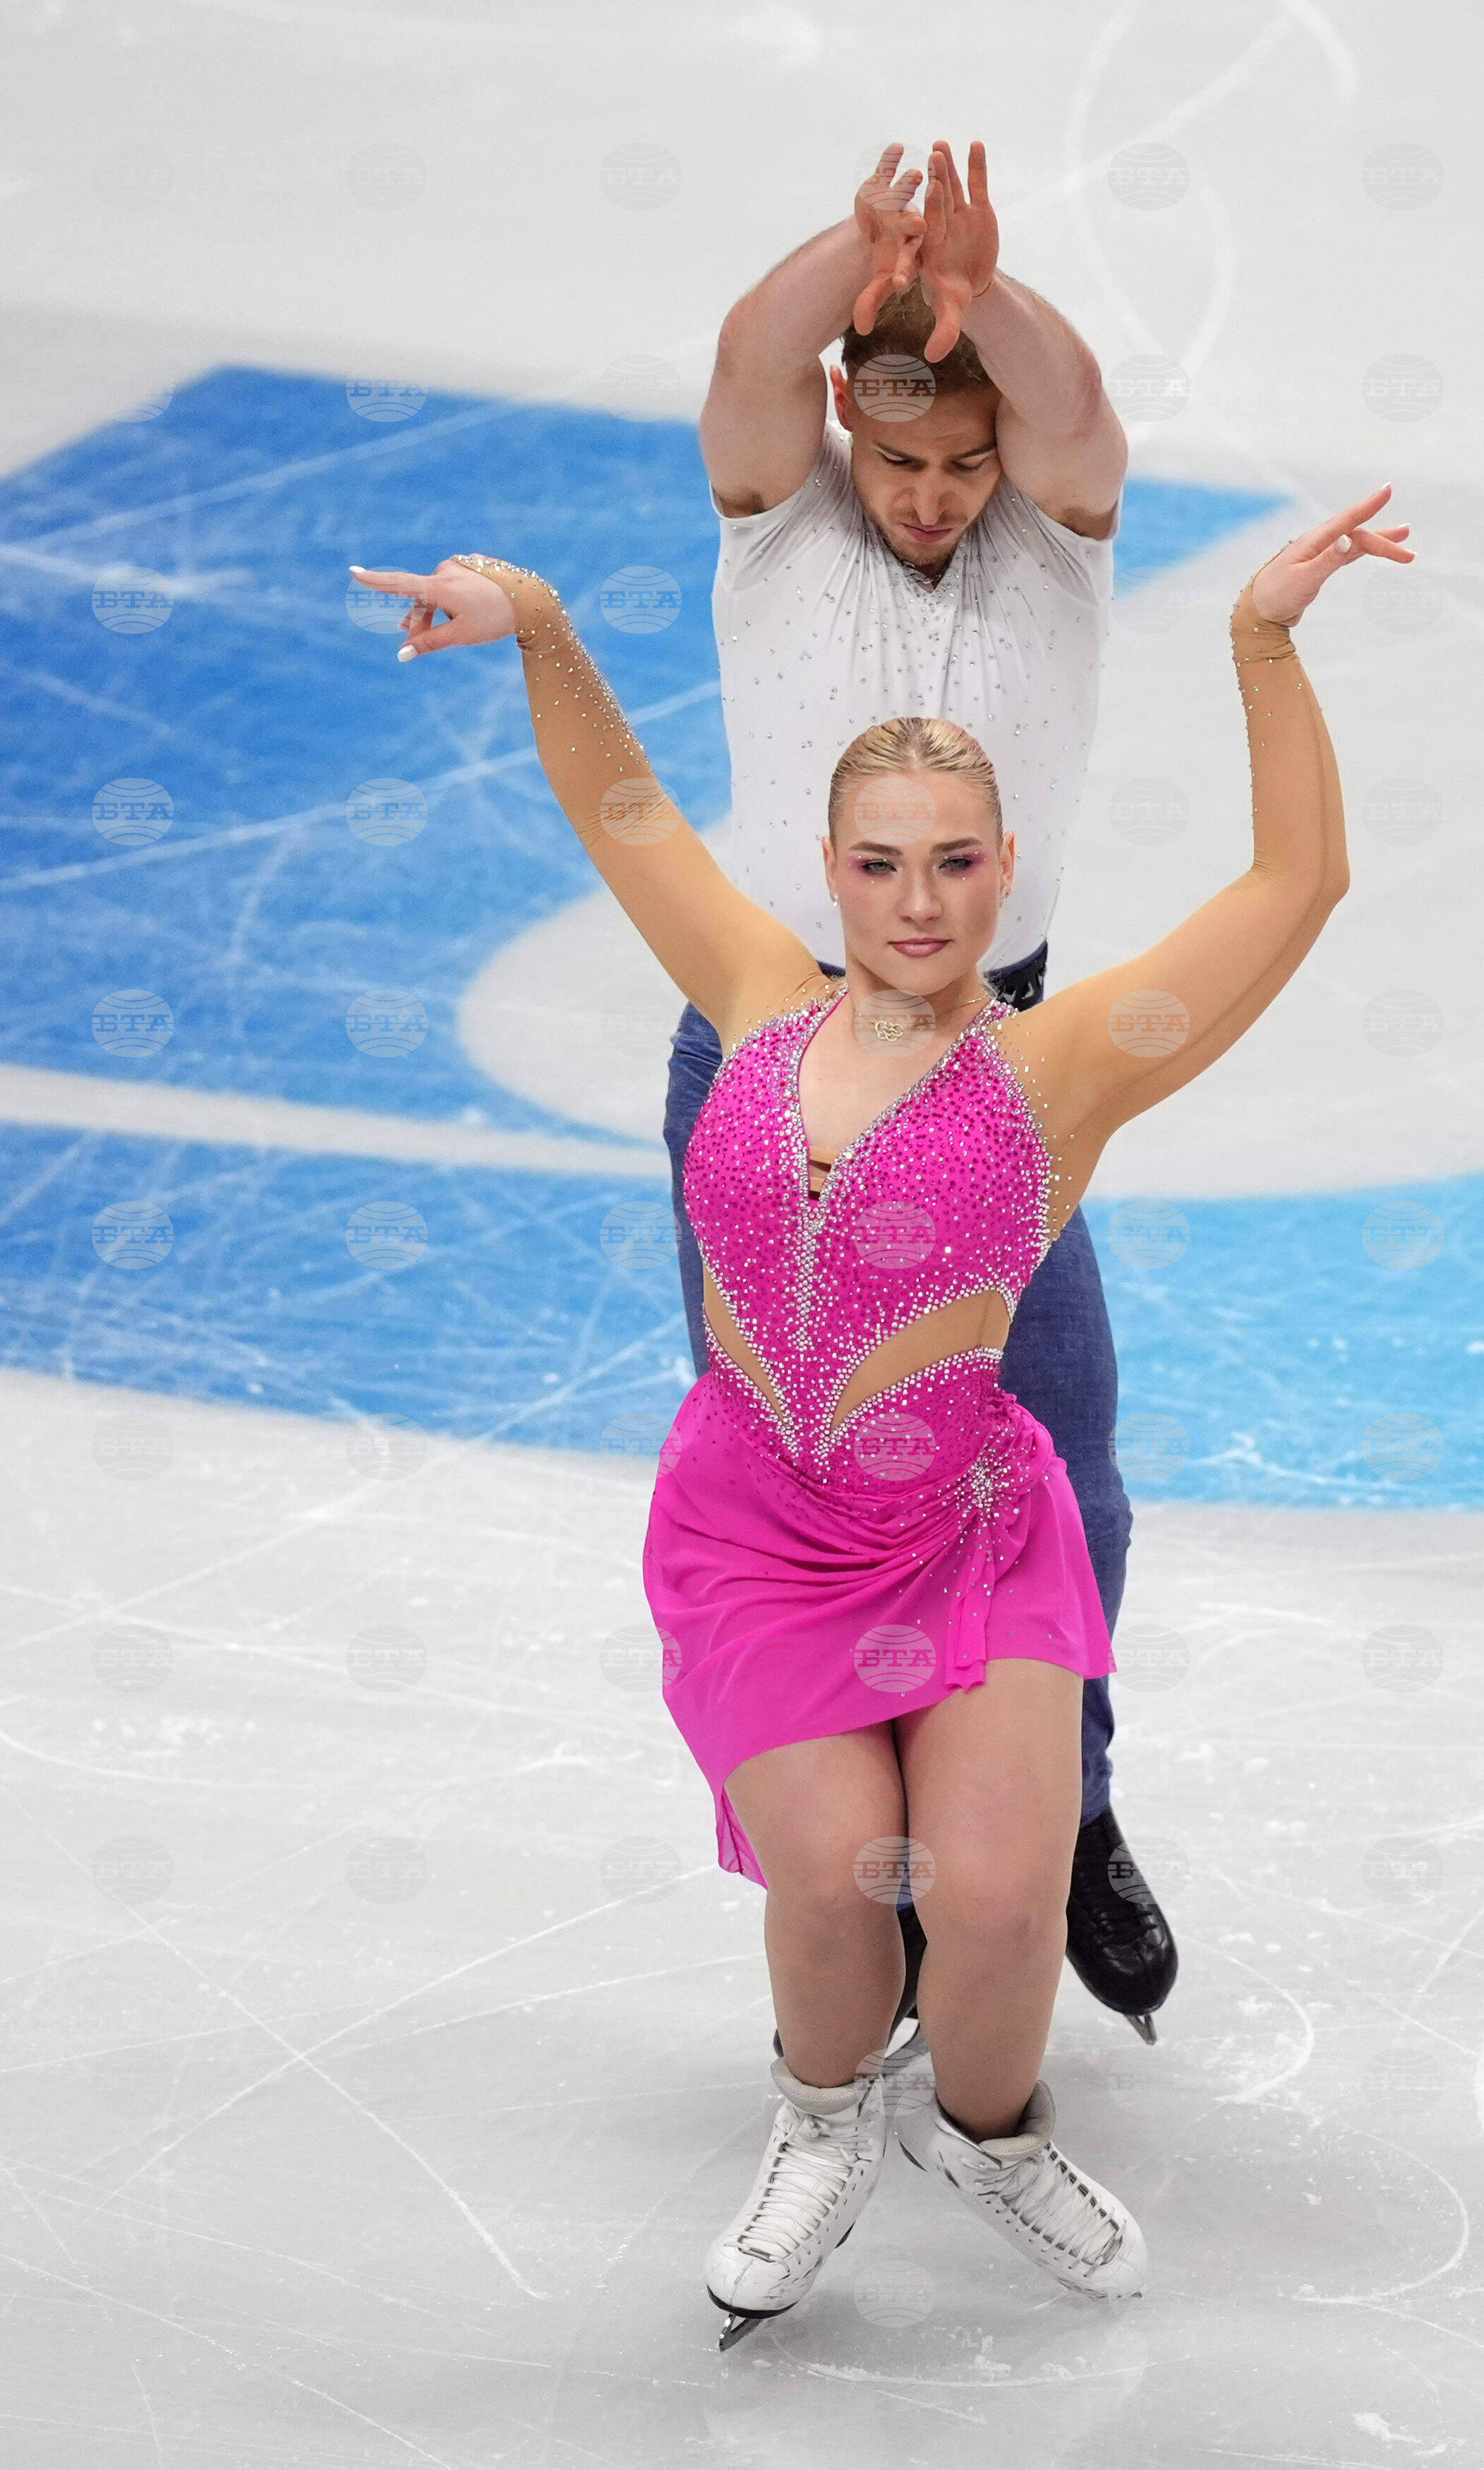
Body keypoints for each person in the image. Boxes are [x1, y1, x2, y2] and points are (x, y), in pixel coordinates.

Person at [349, 477, 1413, 2345]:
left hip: (968, 1534)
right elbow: (621, 807)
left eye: (953, 862)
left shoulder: (1059, 1073)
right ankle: (825, 2115)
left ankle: (991, 2132)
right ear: (828, 873)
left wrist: (1260, 642)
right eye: (880, 862)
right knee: (846, 1894)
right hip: (762, 1538)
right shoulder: (753, 1001)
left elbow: (1294, 887)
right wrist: (542, 624)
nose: (917, 901)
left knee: (998, 1907)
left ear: (1005, 871)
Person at [676, 138, 1175, 2037]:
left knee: (1055, 1448)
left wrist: (994, 283)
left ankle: (1073, 1814)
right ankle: (847, 1885)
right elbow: (745, 358)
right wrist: (866, 254)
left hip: (989, 1068)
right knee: (789, 1472)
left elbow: (1077, 414)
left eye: (963, 461)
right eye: (899, 458)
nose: (932, 497)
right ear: (842, 427)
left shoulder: (1056, 539)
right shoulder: (776, 519)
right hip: (769, 1062)